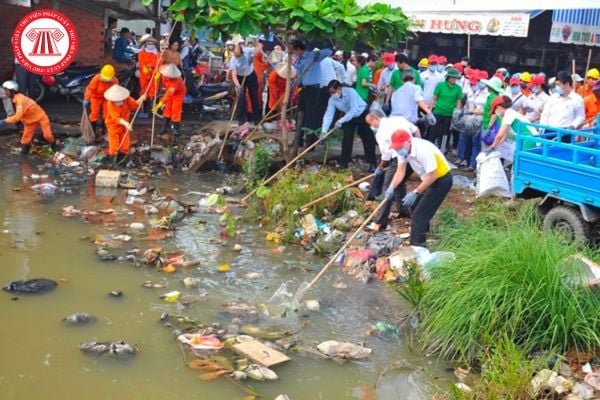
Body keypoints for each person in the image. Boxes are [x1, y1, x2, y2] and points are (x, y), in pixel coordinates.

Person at [385, 130, 453, 247]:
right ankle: (423, 232)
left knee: (419, 216)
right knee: (414, 205)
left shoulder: (423, 150)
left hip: (441, 180)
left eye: (400, 146)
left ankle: (417, 247)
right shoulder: (403, 152)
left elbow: (433, 175)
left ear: (408, 141)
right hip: (428, 179)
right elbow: (400, 172)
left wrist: (415, 192)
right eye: (396, 147)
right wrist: (391, 187)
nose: (398, 149)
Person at [365, 109, 420, 230]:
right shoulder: (399, 119)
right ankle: (404, 210)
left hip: (399, 157)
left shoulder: (381, 133)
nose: (371, 127)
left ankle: (380, 222)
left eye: (371, 123)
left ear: (376, 119)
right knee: (399, 184)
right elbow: (417, 131)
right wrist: (417, 146)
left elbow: (386, 156)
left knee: (388, 186)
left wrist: (381, 168)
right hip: (413, 153)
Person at [321, 80, 377, 170]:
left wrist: (341, 120)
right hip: (348, 116)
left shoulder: (351, 92)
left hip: (361, 113)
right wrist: (324, 131)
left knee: (367, 137)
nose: (332, 94)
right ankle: (344, 163)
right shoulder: (332, 100)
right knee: (347, 137)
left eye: (333, 92)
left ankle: (372, 162)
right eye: (331, 93)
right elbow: (329, 115)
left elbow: (354, 110)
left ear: (339, 89)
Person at [292, 40, 332, 145]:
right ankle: (298, 140)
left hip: (313, 89)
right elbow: (299, 74)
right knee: (300, 114)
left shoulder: (313, 56)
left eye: (295, 51)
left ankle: (310, 141)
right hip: (303, 88)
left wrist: (318, 53)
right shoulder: (299, 59)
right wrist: (295, 85)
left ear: (299, 49)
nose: (295, 53)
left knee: (311, 116)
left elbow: (329, 51)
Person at [0, 81, 55, 154]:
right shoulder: (15, 98)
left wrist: (5, 121)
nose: (5, 92)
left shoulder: (20, 100)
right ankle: (25, 151)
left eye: (6, 90)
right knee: (25, 138)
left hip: (41, 117)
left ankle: (53, 144)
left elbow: (17, 117)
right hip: (29, 120)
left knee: (48, 135)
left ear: (12, 90)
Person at [486, 95, 539, 164]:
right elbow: (504, 136)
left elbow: (500, 135)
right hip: (528, 140)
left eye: (495, 110)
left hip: (528, 140)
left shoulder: (508, 114)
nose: (496, 113)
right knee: (519, 163)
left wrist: (492, 147)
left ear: (498, 107)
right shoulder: (511, 113)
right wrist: (495, 147)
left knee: (521, 164)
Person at [103, 84, 145, 165]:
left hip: (125, 124)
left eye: (121, 100)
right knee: (114, 143)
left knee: (125, 142)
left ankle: (123, 160)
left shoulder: (127, 98)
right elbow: (116, 118)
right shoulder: (110, 104)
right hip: (113, 125)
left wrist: (141, 99)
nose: (121, 102)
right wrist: (126, 123)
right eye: (118, 101)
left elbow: (134, 105)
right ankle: (114, 160)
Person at [540, 71, 585, 142]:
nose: (556, 87)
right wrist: (542, 128)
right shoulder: (552, 97)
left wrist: (573, 126)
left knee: (562, 152)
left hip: (565, 133)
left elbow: (580, 116)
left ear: (567, 84)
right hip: (549, 132)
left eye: (558, 85)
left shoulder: (577, 99)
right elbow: (545, 114)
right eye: (556, 85)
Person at [456, 69, 487, 169]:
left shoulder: (487, 94)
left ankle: (473, 164)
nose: (476, 84)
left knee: (475, 142)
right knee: (465, 139)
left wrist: (475, 112)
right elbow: (465, 103)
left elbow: (487, 110)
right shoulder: (474, 92)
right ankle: (464, 159)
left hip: (479, 120)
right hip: (468, 118)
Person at [428, 67, 463, 150]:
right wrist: (429, 111)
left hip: (449, 114)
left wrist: (456, 114)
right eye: (452, 77)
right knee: (433, 131)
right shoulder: (440, 85)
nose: (454, 79)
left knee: (445, 133)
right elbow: (434, 98)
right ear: (448, 77)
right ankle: (429, 148)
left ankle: (442, 149)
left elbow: (458, 102)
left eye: (456, 78)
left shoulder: (458, 88)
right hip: (438, 111)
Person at [231, 39, 262, 125]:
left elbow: (259, 47)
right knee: (241, 98)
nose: (238, 58)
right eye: (236, 57)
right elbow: (234, 75)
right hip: (240, 78)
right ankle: (241, 120)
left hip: (251, 75)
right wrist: (238, 85)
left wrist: (252, 55)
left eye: (239, 57)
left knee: (254, 97)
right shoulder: (233, 60)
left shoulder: (246, 50)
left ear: (242, 52)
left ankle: (256, 119)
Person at [83, 64, 119, 136]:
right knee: (94, 114)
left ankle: (104, 131)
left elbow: (116, 92)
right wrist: (87, 98)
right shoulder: (96, 78)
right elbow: (90, 89)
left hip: (107, 99)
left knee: (107, 114)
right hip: (96, 97)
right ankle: (93, 132)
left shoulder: (115, 81)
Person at [152, 64, 186, 135]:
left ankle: (176, 130)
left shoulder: (175, 82)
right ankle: (164, 128)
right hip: (169, 91)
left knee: (175, 110)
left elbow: (168, 95)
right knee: (168, 109)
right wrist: (157, 75)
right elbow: (159, 70)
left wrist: (159, 105)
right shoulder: (164, 73)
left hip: (178, 94)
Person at [137, 36, 161, 118]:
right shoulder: (141, 53)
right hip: (145, 77)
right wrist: (148, 71)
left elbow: (159, 65)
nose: (150, 45)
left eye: (152, 43)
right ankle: (142, 111)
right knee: (144, 92)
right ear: (145, 44)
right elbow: (142, 65)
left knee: (153, 93)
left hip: (155, 77)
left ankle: (152, 111)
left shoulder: (158, 54)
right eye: (148, 43)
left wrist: (153, 69)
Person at [320, 55, 346, 119]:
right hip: (332, 85)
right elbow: (341, 67)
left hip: (323, 87)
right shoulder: (328, 60)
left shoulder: (319, 59)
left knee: (321, 108)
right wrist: (342, 82)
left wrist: (342, 82)